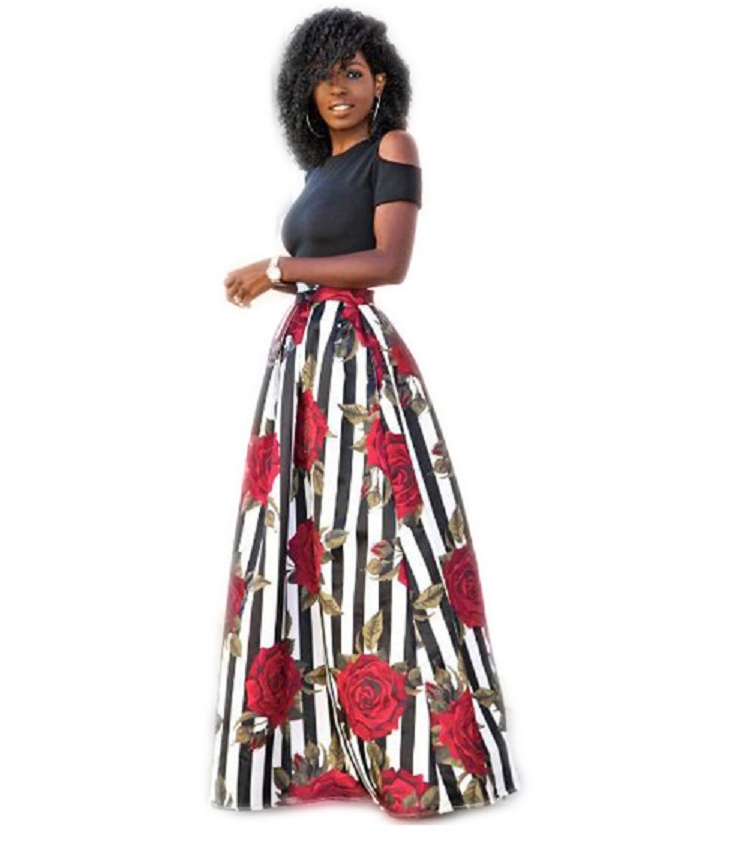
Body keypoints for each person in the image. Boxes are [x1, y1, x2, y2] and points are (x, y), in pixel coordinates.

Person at [210, 7, 520, 817]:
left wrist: (278, 267)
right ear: (304, 93)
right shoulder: (319, 170)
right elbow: (320, 264)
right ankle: (318, 744)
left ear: (380, 80)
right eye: (322, 78)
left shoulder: (394, 148)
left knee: (381, 537)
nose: (338, 89)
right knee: (309, 541)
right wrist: (286, 280)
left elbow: (390, 262)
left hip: (354, 356)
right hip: (303, 359)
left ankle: (425, 755)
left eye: (352, 72)